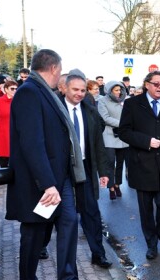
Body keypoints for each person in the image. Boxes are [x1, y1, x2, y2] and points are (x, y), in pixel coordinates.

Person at [7, 49, 84, 279]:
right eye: (60, 70)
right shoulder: (29, 92)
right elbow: (32, 143)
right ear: (53, 68)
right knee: (33, 235)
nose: (60, 74)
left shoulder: (43, 91)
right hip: (38, 184)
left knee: (65, 222)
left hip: (57, 178)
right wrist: (48, 183)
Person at [119, 71, 160, 260]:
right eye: (156, 84)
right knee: (146, 209)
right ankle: (151, 243)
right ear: (147, 85)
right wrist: (146, 141)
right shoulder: (132, 104)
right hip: (142, 163)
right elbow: (124, 132)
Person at [62, 72, 112, 268]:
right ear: (65, 88)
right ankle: (43, 245)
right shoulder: (55, 109)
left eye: (83, 90)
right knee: (60, 213)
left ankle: (98, 254)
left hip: (85, 168)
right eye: (75, 89)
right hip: (61, 171)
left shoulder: (90, 110)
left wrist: (104, 171)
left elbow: (98, 144)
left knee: (91, 212)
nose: (80, 94)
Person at [98, 81, 129, 200]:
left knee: (120, 163)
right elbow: (105, 118)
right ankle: (111, 187)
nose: (119, 92)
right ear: (110, 90)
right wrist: (122, 124)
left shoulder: (125, 100)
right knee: (110, 162)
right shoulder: (102, 100)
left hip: (122, 136)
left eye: (120, 90)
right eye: (116, 90)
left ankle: (117, 185)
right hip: (109, 135)